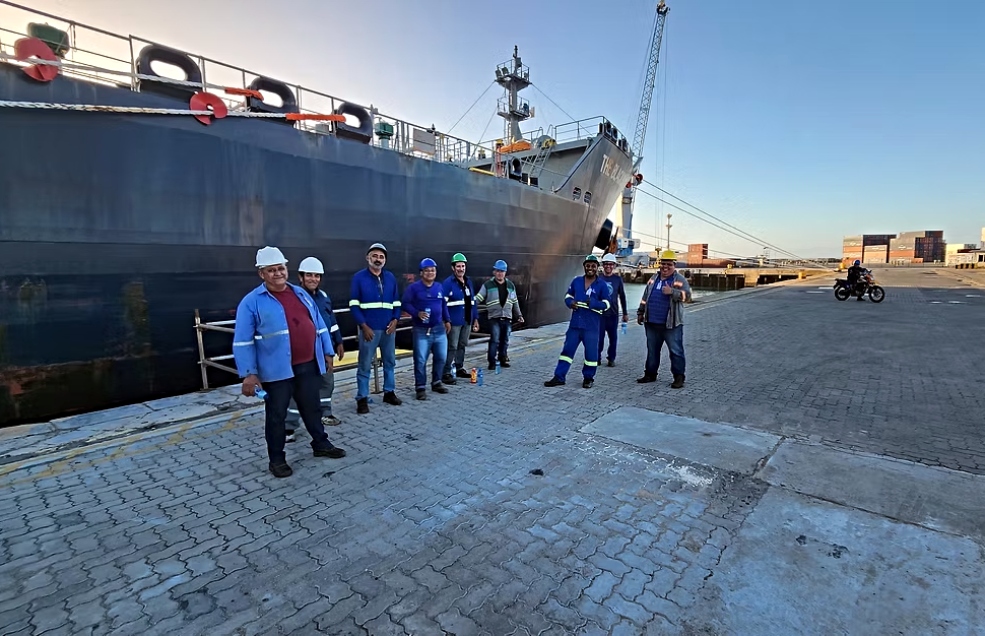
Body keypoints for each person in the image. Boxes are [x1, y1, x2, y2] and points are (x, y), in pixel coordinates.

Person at [233, 246, 346, 478]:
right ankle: (276, 459)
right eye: (271, 270)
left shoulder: (300, 293)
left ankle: (320, 444)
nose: (277, 273)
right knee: (276, 416)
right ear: (261, 274)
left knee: (312, 408)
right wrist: (249, 373)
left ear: (287, 269)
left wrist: (327, 351)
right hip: (276, 372)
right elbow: (243, 340)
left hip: (307, 364)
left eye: (281, 268)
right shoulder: (251, 302)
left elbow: (319, 324)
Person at [284, 256, 344, 443]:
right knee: (298, 390)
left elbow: (331, 321)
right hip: (304, 351)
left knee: (327, 382)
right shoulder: (293, 297)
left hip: (324, 349)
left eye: (316, 276)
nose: (313, 279)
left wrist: (338, 341)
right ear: (301, 277)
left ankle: (325, 413)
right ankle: (289, 427)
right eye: (309, 275)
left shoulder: (324, 297)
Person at [349, 242, 403, 414]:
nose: (378, 259)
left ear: (385, 260)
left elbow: (396, 302)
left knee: (390, 362)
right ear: (368, 258)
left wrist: (395, 320)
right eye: (375, 256)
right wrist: (364, 326)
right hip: (369, 330)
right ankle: (362, 398)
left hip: (388, 329)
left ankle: (389, 392)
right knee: (364, 364)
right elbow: (353, 305)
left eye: (381, 257)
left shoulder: (391, 278)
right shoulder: (359, 278)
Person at [544, 255, 612, 389]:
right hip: (575, 324)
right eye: (588, 265)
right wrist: (570, 303)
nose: (590, 268)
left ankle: (588, 378)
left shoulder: (602, 285)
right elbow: (568, 295)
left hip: (591, 326)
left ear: (597, 267)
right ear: (584, 267)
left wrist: (593, 303)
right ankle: (559, 377)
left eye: (593, 266)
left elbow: (607, 304)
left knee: (591, 354)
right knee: (567, 352)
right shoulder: (576, 281)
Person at [636, 249, 691, 389]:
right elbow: (644, 297)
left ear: (674, 265)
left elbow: (688, 297)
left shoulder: (679, 280)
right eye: (663, 264)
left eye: (669, 264)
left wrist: (672, 292)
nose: (665, 267)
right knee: (652, 350)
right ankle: (650, 374)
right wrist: (640, 312)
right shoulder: (653, 279)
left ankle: (679, 377)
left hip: (671, 324)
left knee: (676, 351)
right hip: (652, 323)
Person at [401, 258, 452, 400]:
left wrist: (447, 320)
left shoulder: (439, 287)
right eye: (427, 270)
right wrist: (416, 313)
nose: (430, 273)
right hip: (421, 330)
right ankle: (420, 387)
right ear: (421, 273)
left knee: (441, 357)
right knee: (421, 360)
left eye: (433, 270)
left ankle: (437, 382)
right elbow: (405, 303)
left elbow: (443, 305)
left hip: (439, 329)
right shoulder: (413, 288)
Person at [474, 259, 524, 370]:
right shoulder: (488, 285)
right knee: (495, 339)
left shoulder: (510, 285)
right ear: (494, 272)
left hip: (507, 317)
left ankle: (503, 359)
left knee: (505, 339)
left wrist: (519, 315)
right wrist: (469, 303)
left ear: (505, 272)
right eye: (498, 271)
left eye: (502, 271)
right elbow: (478, 298)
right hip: (494, 317)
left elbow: (514, 301)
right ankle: (492, 361)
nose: (500, 273)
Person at [441, 252, 480, 384]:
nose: (461, 269)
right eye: (458, 266)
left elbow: (473, 302)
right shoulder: (447, 283)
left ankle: (459, 367)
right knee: (452, 346)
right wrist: (446, 321)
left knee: (462, 344)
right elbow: (442, 304)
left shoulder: (468, 282)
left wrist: (475, 318)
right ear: (453, 268)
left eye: (463, 266)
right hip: (454, 321)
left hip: (467, 320)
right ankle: (445, 372)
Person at [598, 253, 629, 367]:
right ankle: (597, 358)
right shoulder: (598, 278)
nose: (608, 266)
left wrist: (625, 313)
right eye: (606, 264)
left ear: (614, 266)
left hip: (613, 314)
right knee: (599, 338)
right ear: (603, 265)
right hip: (600, 314)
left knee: (613, 339)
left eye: (611, 264)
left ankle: (611, 358)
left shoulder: (618, 279)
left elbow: (622, 296)